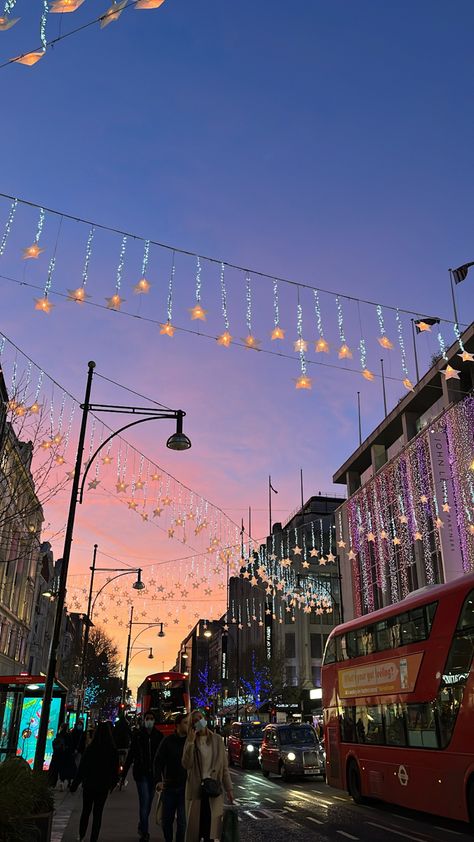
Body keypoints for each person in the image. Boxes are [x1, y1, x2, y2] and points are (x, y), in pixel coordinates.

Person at [182, 709, 233, 842]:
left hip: (213, 789)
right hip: (196, 790)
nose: (199, 722)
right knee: (196, 831)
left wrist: (229, 789)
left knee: (211, 831)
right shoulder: (190, 741)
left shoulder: (217, 740)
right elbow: (186, 764)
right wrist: (191, 743)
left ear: (204, 719)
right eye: (195, 721)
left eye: (200, 718)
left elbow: (224, 767)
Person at [70, 721, 119, 842]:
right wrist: (112, 784)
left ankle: (81, 835)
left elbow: (82, 768)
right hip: (103, 786)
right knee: (98, 813)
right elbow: (115, 770)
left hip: (89, 785)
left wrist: (75, 784)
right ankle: (94, 838)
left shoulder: (90, 749)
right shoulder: (112, 751)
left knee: (86, 811)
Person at [122, 710, 162, 842]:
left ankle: (142, 824)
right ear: (144, 720)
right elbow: (131, 755)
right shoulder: (138, 735)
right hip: (141, 774)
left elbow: (163, 757)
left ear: (154, 720)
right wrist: (123, 775)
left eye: (151, 718)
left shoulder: (159, 736)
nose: (149, 721)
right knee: (144, 801)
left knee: (149, 801)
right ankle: (145, 832)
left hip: (154, 775)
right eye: (147, 718)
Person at [154, 714, 188, 842]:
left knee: (182, 822)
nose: (187, 725)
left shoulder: (190, 741)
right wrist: (158, 780)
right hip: (169, 786)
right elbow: (158, 761)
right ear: (178, 725)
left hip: (185, 787)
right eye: (185, 722)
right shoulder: (168, 741)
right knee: (166, 821)